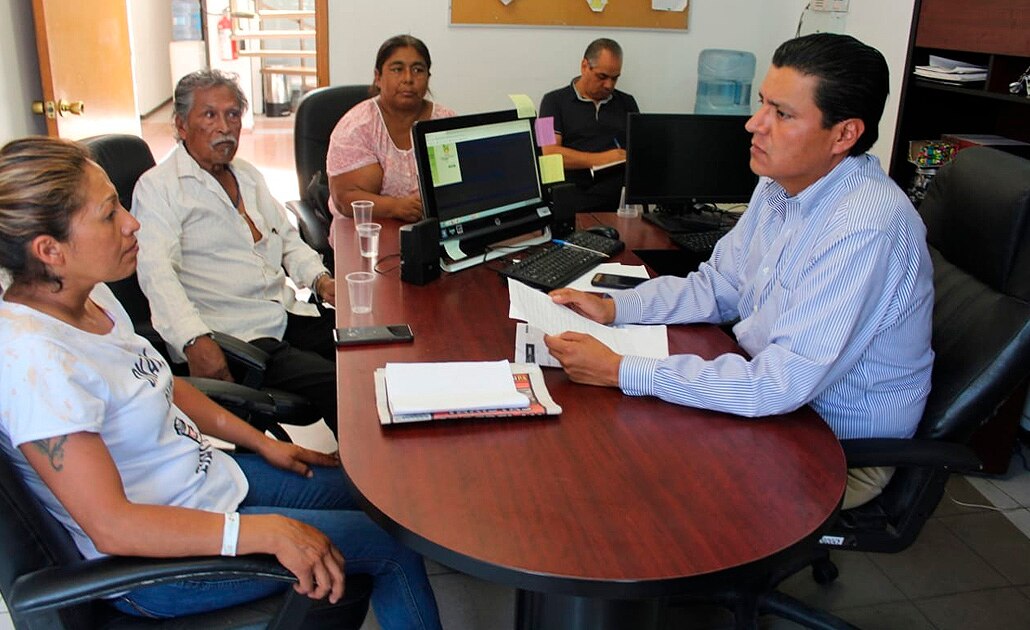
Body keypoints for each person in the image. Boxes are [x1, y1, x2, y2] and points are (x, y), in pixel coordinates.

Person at [0, 136, 442, 628]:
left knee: (377, 493)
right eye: (108, 214)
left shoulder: (88, 296)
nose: (131, 221)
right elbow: (112, 527)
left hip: (204, 485)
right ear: (49, 250)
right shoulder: (35, 363)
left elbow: (161, 384)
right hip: (156, 564)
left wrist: (263, 444)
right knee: (387, 546)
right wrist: (264, 533)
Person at [544, 33, 935, 510]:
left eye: (782, 114)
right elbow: (719, 286)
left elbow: (778, 385)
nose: (754, 124)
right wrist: (614, 307)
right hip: (777, 402)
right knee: (603, 438)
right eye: (761, 104)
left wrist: (621, 369)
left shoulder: (866, 226)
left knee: (628, 475)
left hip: (830, 442)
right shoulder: (780, 187)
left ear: (844, 134)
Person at [133, 70, 340, 437]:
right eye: (209, 115)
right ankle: (366, 483)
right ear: (181, 125)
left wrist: (321, 280)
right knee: (339, 382)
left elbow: (287, 239)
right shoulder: (158, 189)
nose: (225, 127)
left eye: (232, 115)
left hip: (285, 311)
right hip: (239, 335)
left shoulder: (246, 174)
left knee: (369, 347)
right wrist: (194, 341)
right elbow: (156, 274)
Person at [326, 34, 455, 231]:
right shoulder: (357, 128)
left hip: (432, 230)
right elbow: (345, 199)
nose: (408, 79)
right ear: (378, 77)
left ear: (428, 78)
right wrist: (395, 207)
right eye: (397, 69)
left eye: (418, 70)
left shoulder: (446, 121)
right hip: (366, 232)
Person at [539, 38, 640, 213]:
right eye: (602, 77)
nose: (609, 85)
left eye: (615, 78)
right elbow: (548, 154)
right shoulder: (550, 101)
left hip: (616, 204)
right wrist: (601, 159)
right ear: (584, 66)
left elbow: (640, 152)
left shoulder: (628, 102)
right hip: (571, 199)